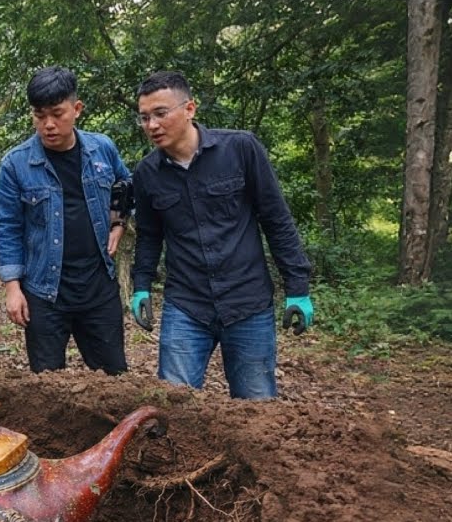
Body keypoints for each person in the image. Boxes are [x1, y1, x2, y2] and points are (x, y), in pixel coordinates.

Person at [127, 71, 314, 400]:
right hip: (186, 305)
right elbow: (149, 235)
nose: (151, 125)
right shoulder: (146, 174)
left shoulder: (240, 149)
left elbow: (276, 218)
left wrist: (297, 287)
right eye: (144, 118)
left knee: (256, 407)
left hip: (247, 302)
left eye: (160, 113)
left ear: (189, 109)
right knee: (173, 403)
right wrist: (141, 285)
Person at [0, 66, 132, 375]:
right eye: (39, 115)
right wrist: (12, 288)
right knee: (47, 385)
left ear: (77, 109)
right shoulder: (16, 164)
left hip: (98, 287)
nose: (49, 125)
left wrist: (119, 223)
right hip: (45, 290)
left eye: (57, 114)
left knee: (115, 378)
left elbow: (126, 186)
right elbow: (8, 226)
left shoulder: (102, 150)